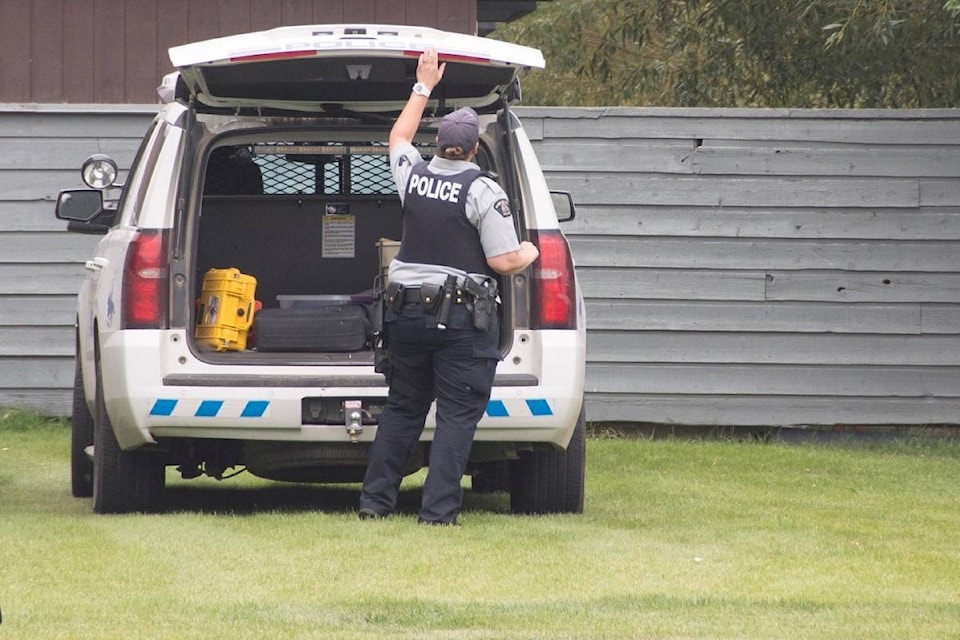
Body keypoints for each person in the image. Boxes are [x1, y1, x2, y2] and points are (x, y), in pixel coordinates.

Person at [358, 48, 540, 525]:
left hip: (404, 315)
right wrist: (529, 251)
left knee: (403, 408)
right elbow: (503, 261)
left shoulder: (413, 176)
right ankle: (437, 514)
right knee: (456, 416)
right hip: (458, 321)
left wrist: (423, 86)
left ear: (438, 145)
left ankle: (375, 504)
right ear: (475, 149)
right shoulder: (483, 190)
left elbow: (398, 137)